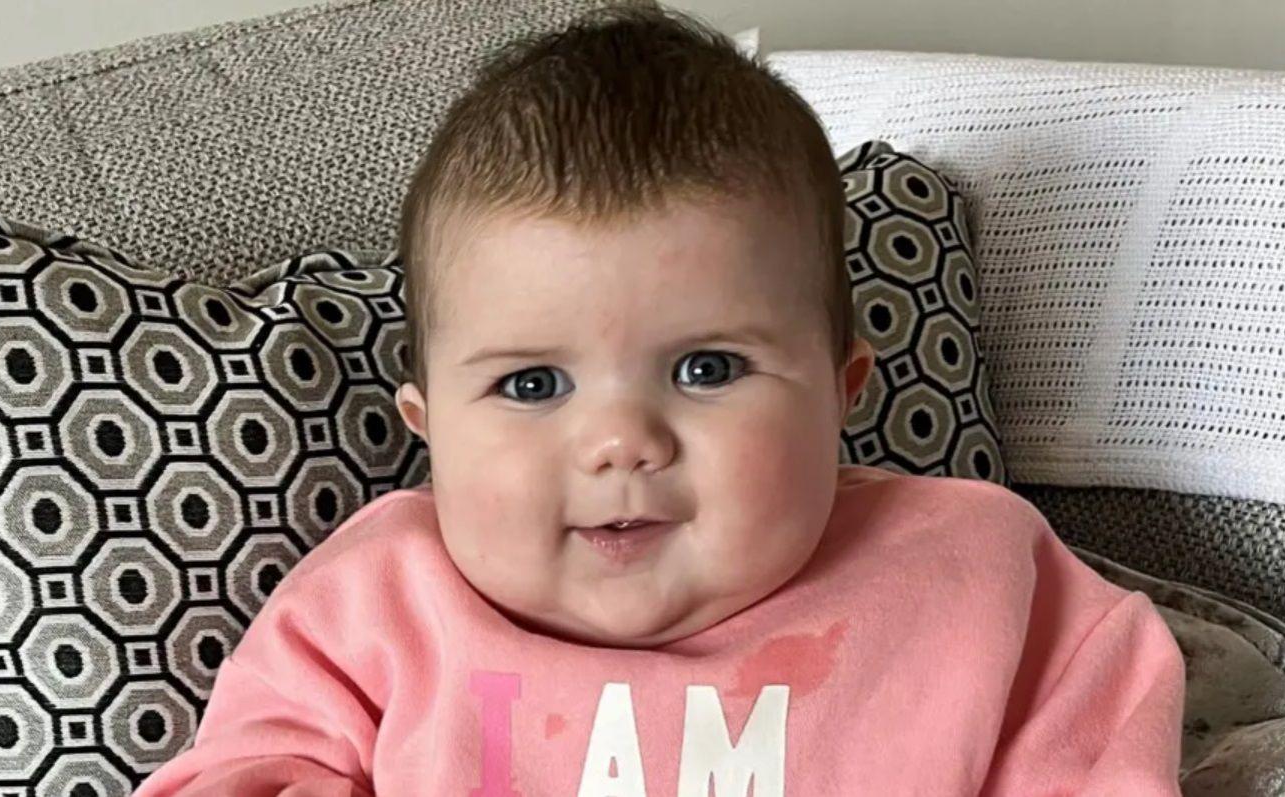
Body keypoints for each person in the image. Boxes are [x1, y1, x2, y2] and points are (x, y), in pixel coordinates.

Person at [133, 5, 1185, 794]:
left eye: (706, 369)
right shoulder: (376, 605)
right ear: (430, 432)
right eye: (532, 384)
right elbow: (255, 758)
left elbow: (1102, 741)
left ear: (840, 391)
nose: (621, 442)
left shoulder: (980, 572)